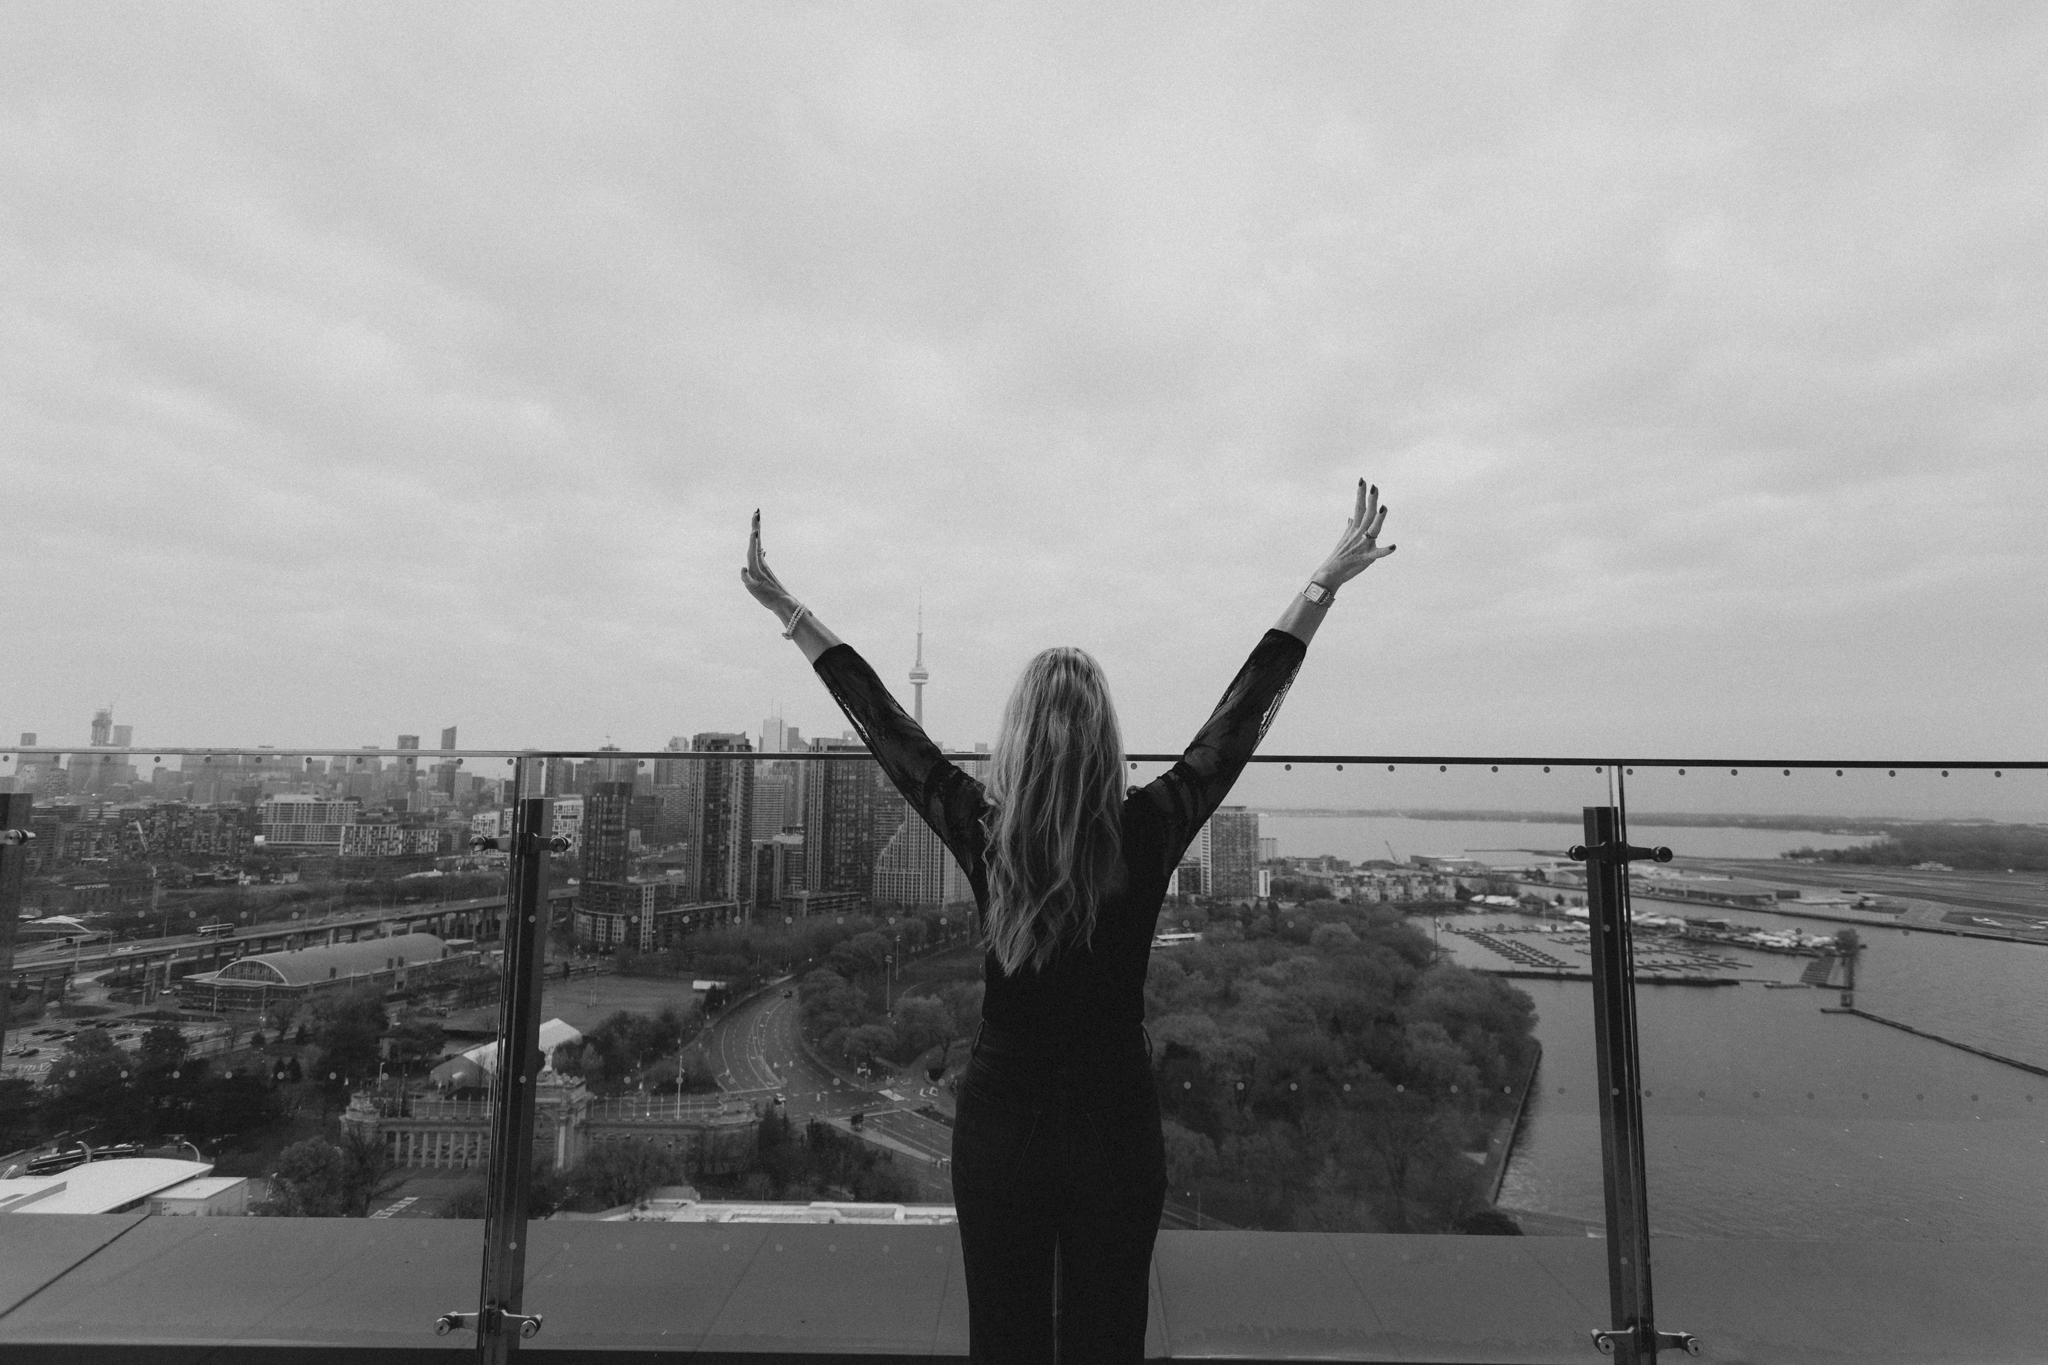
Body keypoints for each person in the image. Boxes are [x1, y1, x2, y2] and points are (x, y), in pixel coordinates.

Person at [740, 481, 1395, 1363]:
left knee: (1003, 1340)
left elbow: (889, 729)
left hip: (1002, 1125)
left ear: (1017, 736)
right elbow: (1237, 719)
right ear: (1107, 739)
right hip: (1114, 1125)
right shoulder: (1154, 824)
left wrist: (791, 610)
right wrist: (1322, 585)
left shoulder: (984, 831)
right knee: (1107, 1335)